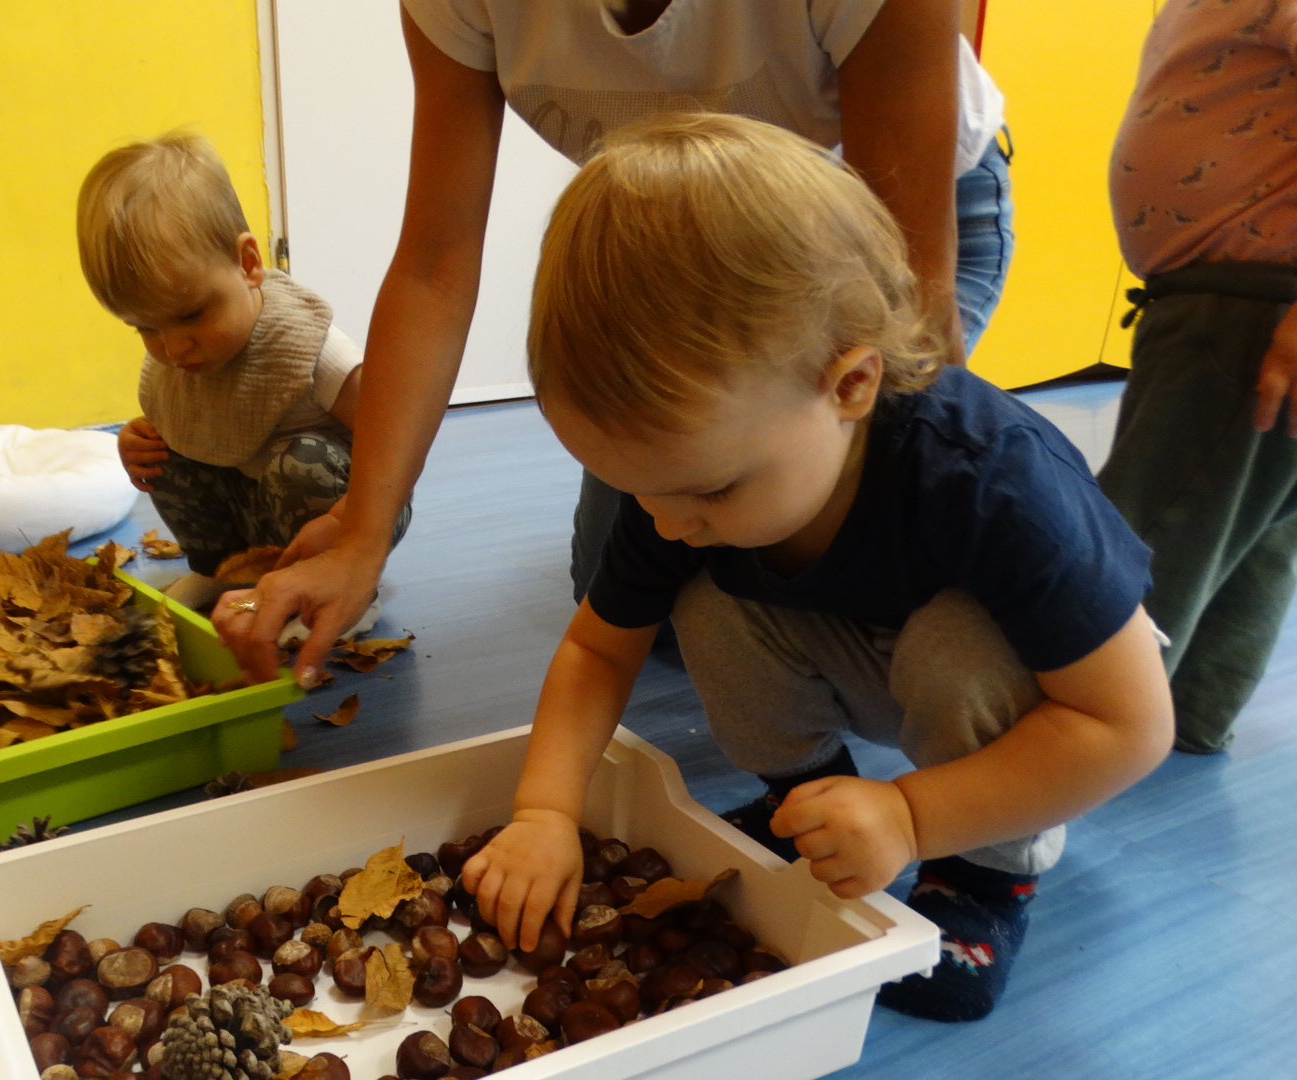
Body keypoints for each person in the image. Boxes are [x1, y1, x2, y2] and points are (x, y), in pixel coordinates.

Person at [454, 115, 1174, 1022]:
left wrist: (913, 816)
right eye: (637, 490)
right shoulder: (684, 489)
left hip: (1047, 688)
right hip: (864, 648)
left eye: (707, 490)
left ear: (851, 386)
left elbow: (1130, 725)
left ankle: (986, 873)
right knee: (704, 601)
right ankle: (805, 802)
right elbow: (599, 650)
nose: (665, 523)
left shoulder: (992, 483)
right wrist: (545, 812)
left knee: (956, 653)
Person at [216, 0, 1016, 686]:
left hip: (873, 246)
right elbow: (434, 264)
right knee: (650, 586)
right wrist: (363, 531)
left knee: (843, 558)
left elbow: (909, 287)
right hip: (684, 245)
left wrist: (926, 518)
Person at [1097, 0, 1297, 753]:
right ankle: (1187, 710)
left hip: (1266, 310)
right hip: (1260, 302)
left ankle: (1073, 730)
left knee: (1152, 527)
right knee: (1248, 536)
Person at [76, 133, 410, 622]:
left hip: (354, 509)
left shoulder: (309, 347)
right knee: (166, 446)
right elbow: (191, 424)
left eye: (191, 315)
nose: (173, 348)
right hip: (258, 512)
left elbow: (394, 438)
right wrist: (137, 444)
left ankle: (343, 591)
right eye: (145, 327)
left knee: (298, 461)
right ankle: (224, 571)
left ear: (248, 264)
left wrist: (354, 524)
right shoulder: (182, 353)